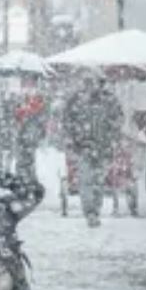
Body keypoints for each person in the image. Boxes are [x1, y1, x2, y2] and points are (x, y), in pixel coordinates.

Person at [61, 74, 122, 227]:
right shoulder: (75, 100)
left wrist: (112, 131)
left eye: (97, 83)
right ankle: (90, 212)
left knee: (98, 182)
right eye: (89, 82)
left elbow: (119, 120)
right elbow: (66, 121)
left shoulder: (110, 100)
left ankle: (95, 210)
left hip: (103, 148)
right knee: (87, 181)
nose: (93, 86)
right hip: (84, 147)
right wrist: (74, 136)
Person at [12, 87, 47, 182]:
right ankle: (28, 177)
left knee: (25, 158)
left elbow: (17, 119)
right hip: (27, 138)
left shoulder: (28, 108)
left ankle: (25, 177)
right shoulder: (32, 108)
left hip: (25, 138)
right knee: (28, 158)